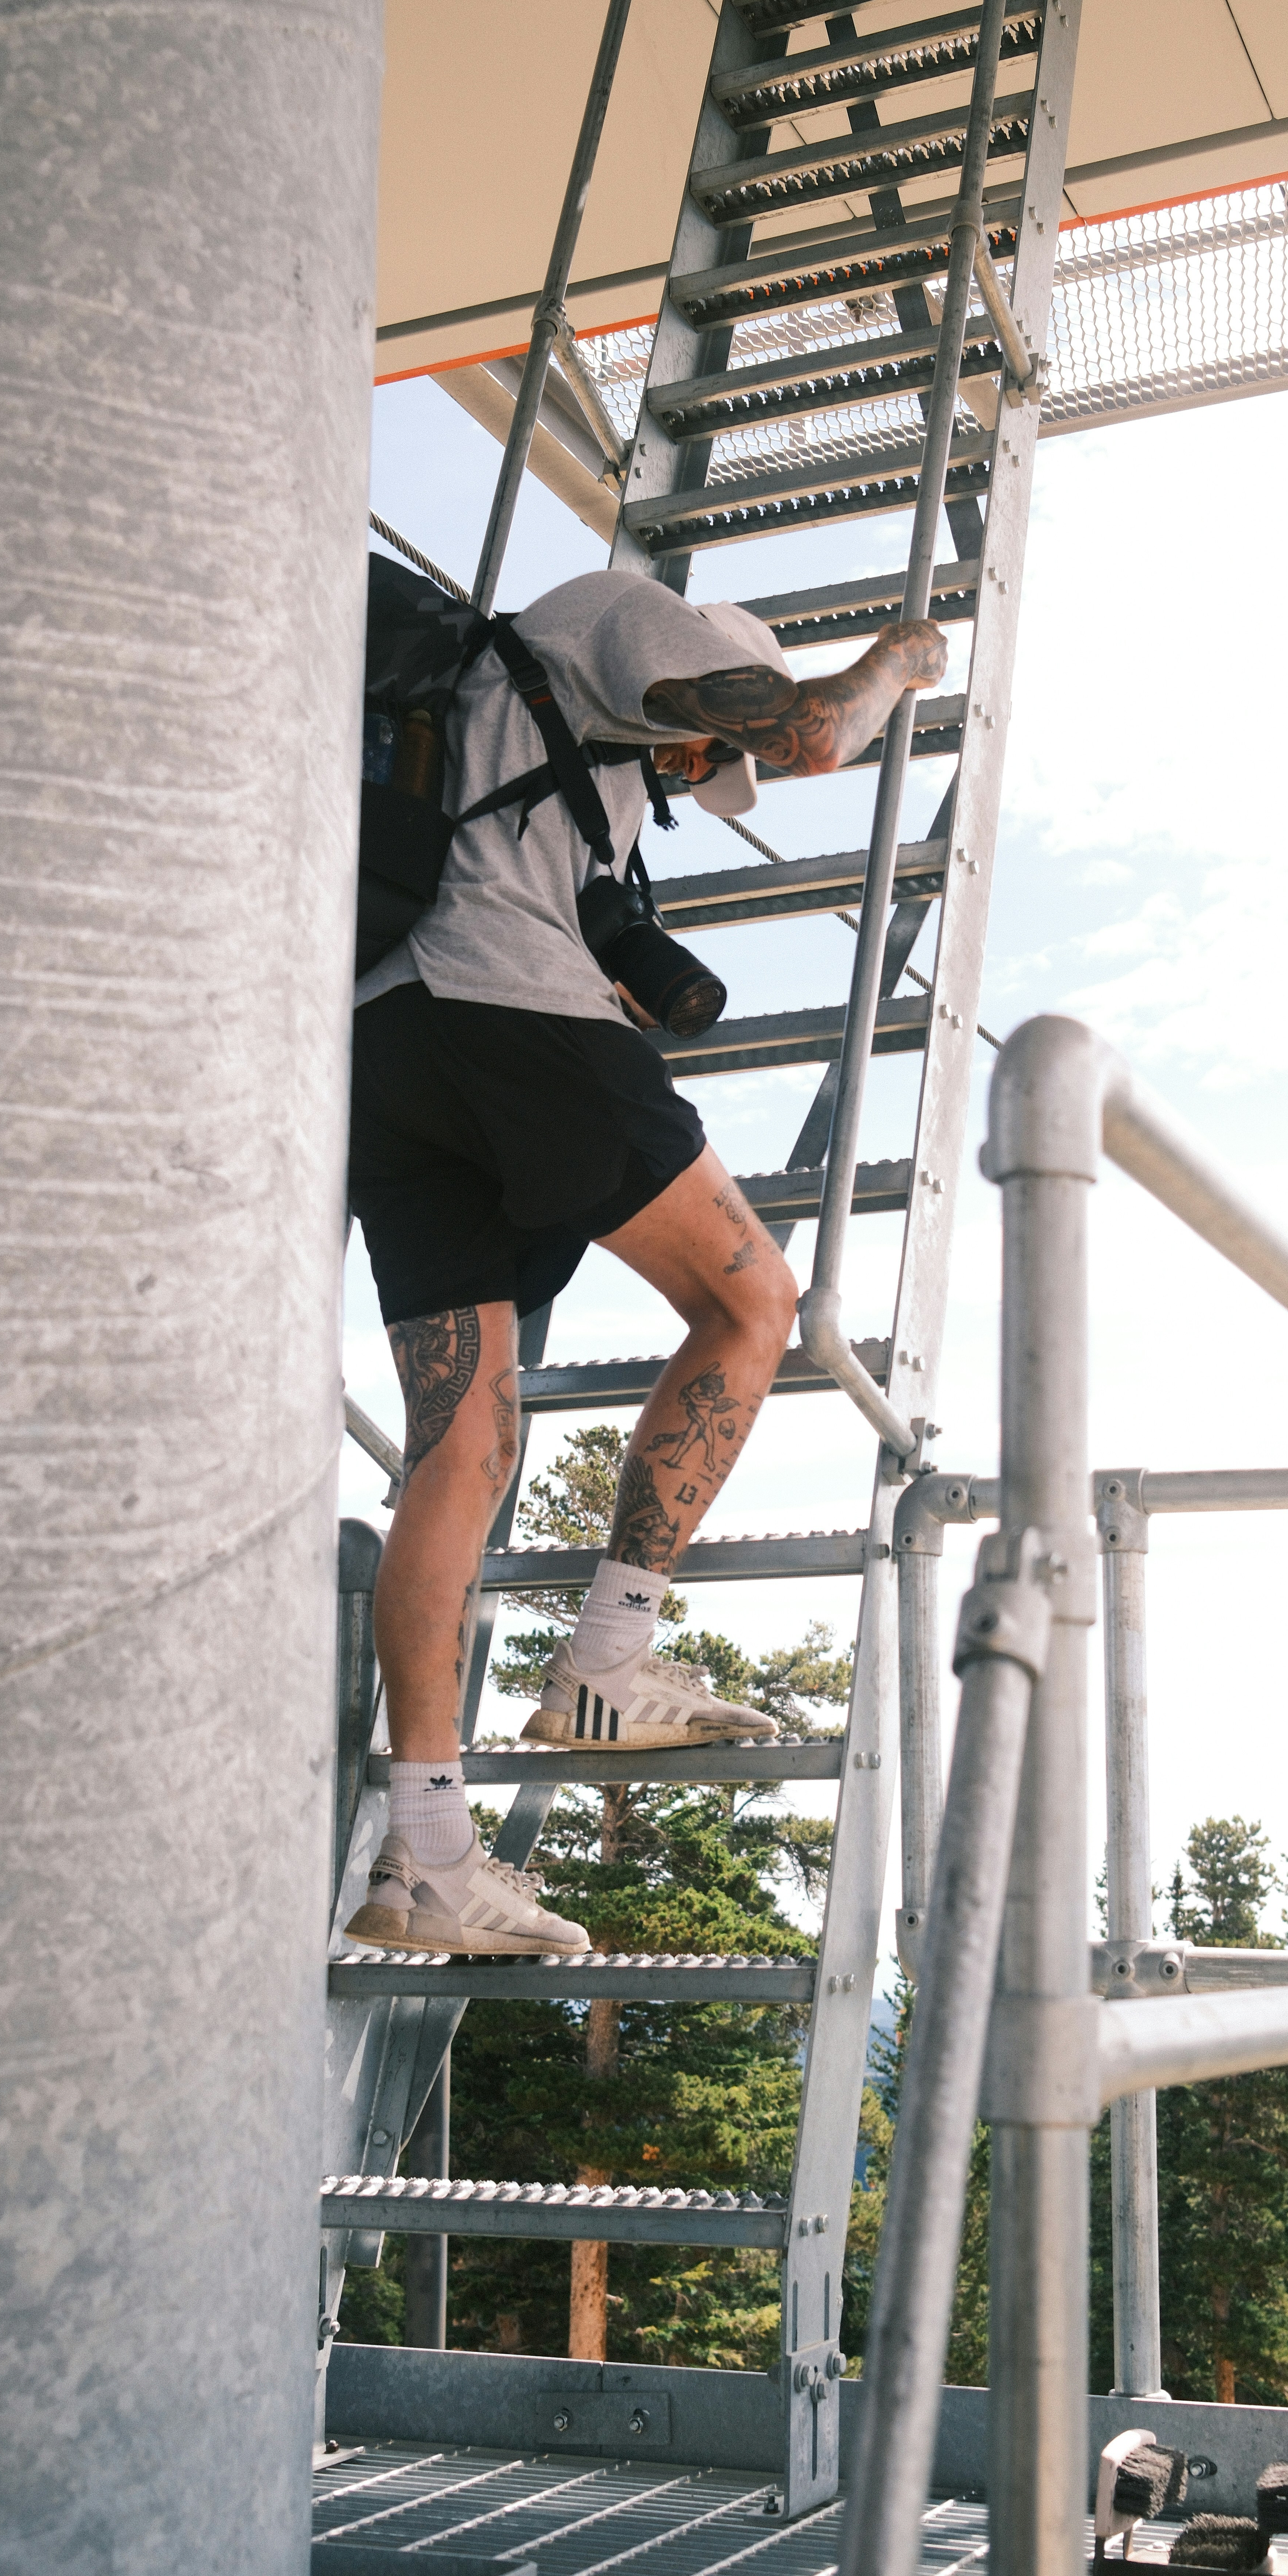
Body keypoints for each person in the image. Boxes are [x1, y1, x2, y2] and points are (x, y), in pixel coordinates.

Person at [344, 568, 947, 1956]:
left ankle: (428, 1854)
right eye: (702, 756)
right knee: (754, 1300)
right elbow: (798, 730)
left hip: (389, 1049)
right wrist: (898, 662)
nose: (704, 768)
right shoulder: (624, 620)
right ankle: (610, 1660)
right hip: (509, 1008)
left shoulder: (530, 733)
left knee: (463, 1442)